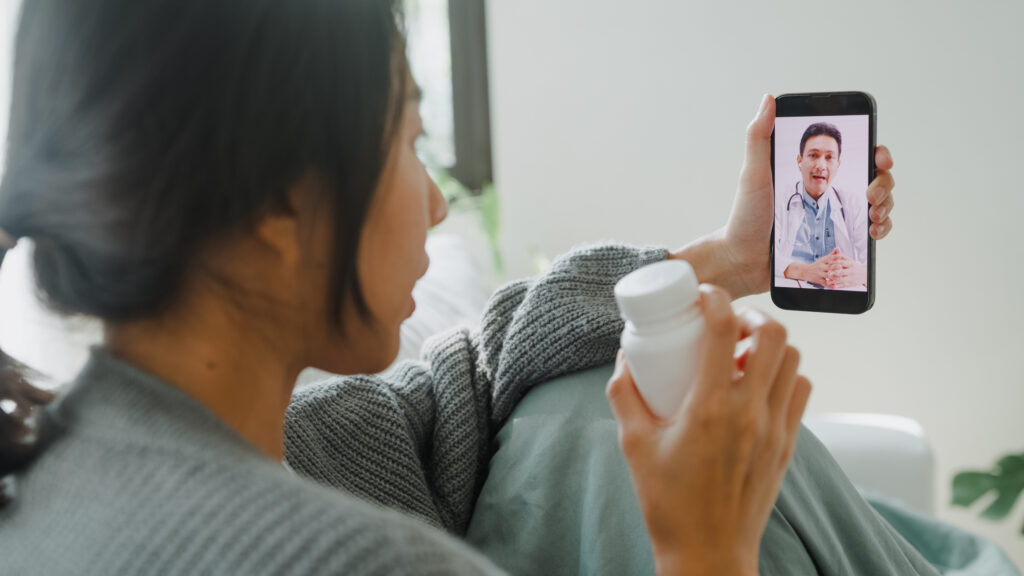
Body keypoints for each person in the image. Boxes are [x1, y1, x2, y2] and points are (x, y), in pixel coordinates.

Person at [0, 1, 895, 574]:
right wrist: (705, 549)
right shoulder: (364, 562)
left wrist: (730, 258)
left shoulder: (58, 469)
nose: (433, 203)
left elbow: (466, 379)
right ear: (279, 198)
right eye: (410, 139)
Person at [774, 122, 874, 290]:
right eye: (813, 155)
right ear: (800, 161)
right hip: (794, 290)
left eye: (829, 157)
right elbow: (767, 259)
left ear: (838, 164)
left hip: (838, 292)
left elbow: (873, 261)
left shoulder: (852, 203)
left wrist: (862, 273)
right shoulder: (780, 200)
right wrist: (806, 271)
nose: (821, 165)